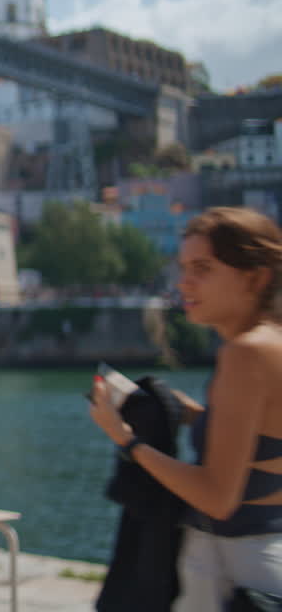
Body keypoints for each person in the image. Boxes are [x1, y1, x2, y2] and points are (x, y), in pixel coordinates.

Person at [90, 206, 282, 610]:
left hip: (232, 571)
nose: (185, 282)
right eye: (183, 267)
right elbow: (263, 443)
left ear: (256, 276)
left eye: (203, 268)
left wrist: (126, 440)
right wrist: (189, 412)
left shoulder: (245, 354)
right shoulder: (271, 344)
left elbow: (217, 497)